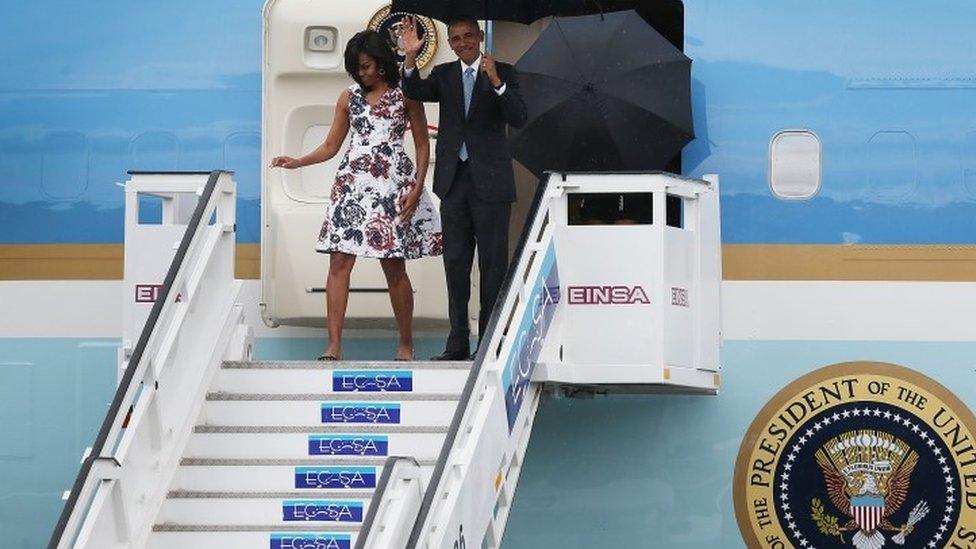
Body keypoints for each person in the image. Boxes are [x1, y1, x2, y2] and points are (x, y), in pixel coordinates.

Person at [271, 30, 441, 361]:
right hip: (352, 185)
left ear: (379, 63)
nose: (361, 73)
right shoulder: (348, 97)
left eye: (365, 66)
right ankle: (334, 345)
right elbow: (331, 146)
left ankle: (405, 344)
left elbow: (422, 143)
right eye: (356, 68)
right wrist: (297, 161)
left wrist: (418, 186)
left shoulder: (405, 94)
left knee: (394, 267)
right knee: (339, 262)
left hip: (393, 185)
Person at [399, 15, 527, 360]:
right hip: (454, 183)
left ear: (480, 36)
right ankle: (457, 343)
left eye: (469, 36)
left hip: (492, 185)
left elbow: (518, 116)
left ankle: (489, 344)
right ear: (451, 44)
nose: (462, 43)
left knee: (493, 266)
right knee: (455, 264)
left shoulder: (505, 71)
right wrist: (410, 56)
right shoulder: (443, 75)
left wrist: (497, 82)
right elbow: (413, 90)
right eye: (455, 39)